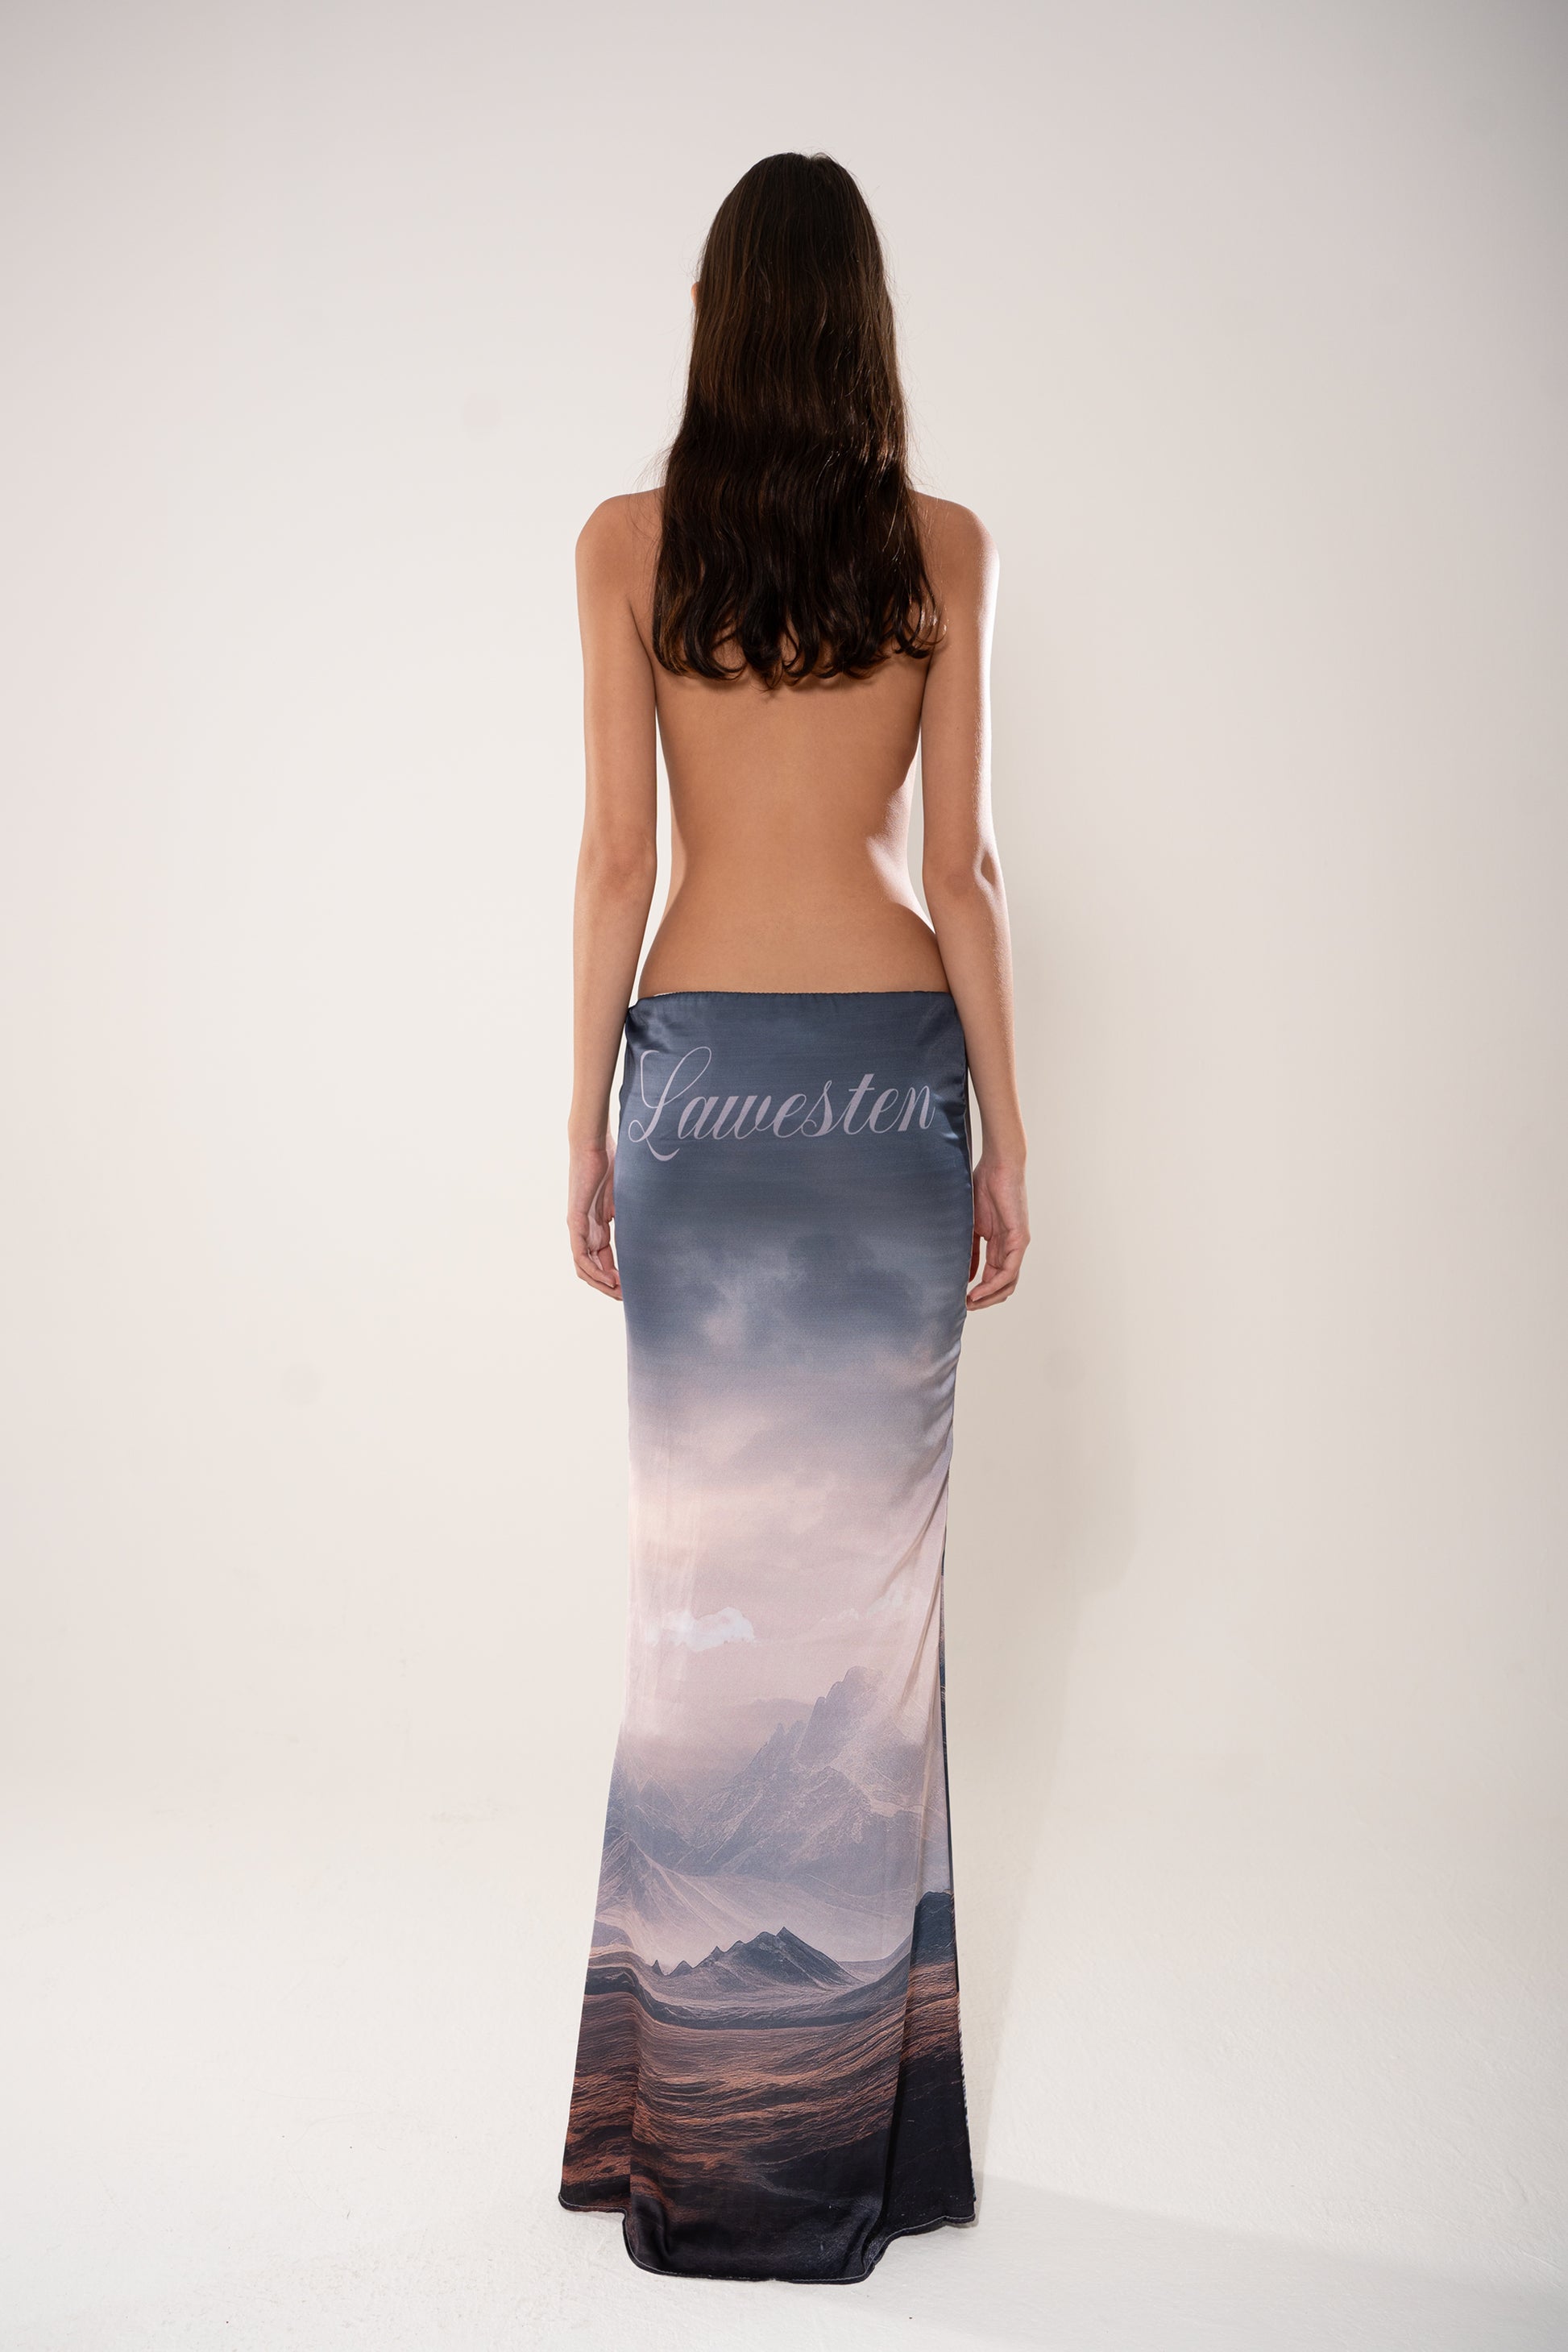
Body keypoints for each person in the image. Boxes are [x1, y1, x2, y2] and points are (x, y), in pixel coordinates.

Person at [557, 151, 1029, 2286]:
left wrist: (587, 1118)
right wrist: (1003, 1136)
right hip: (883, 1092)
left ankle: (709, 2122)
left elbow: (613, 862)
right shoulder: (940, 546)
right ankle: (858, 2139)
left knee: (701, 1612)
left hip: (701, 1094)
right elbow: (965, 875)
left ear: (711, 315)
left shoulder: (624, 546)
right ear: (868, 325)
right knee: (868, 1622)